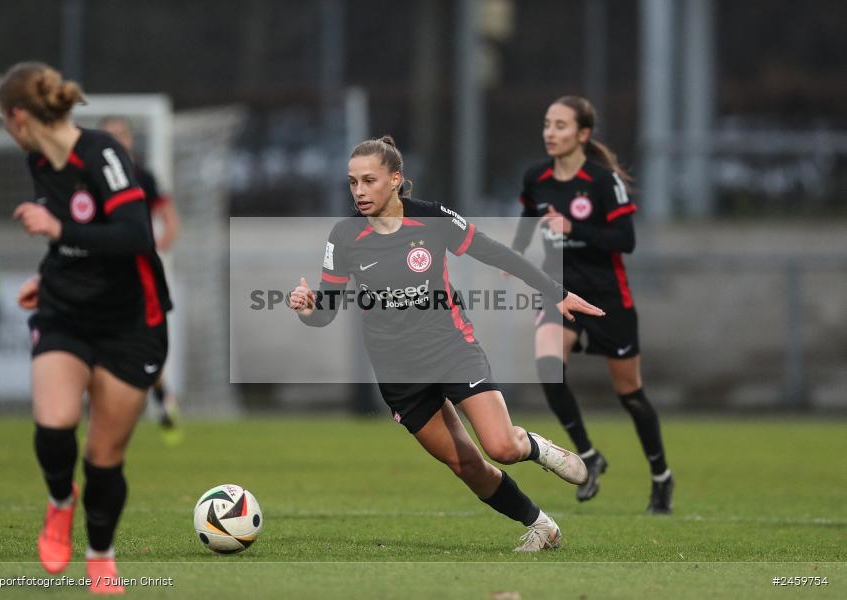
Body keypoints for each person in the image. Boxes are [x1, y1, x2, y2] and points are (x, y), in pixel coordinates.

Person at [288, 135, 605, 551]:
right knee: (466, 465)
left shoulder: (431, 218)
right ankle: (542, 527)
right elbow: (325, 312)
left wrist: (554, 291)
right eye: (352, 182)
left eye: (369, 180)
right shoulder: (344, 235)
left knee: (501, 447)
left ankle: (535, 447)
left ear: (395, 179)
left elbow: (493, 252)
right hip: (399, 375)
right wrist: (307, 307)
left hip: (451, 350)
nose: (359, 191)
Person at [0, 62, 172, 594]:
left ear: (18, 116)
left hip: (131, 323)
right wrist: (46, 276)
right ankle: (58, 501)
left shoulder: (102, 153)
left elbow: (135, 235)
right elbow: (71, 240)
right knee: (54, 425)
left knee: (103, 460)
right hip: (65, 312)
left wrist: (58, 228)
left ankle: (100, 557)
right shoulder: (38, 160)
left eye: (5, 121)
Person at [510, 95, 674, 513]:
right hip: (559, 291)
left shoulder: (602, 182)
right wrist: (515, 255)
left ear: (583, 134)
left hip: (606, 298)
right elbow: (528, 219)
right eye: (547, 124)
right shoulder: (536, 177)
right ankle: (587, 455)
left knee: (630, 394)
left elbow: (626, 241)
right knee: (548, 368)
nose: (550, 132)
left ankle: (661, 476)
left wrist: (574, 228)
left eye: (561, 125)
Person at [99, 116, 181, 436]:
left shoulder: (143, 178)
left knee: (144, 339)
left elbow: (169, 218)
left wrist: (158, 245)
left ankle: (161, 395)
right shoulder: (92, 177)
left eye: (121, 134)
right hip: (101, 273)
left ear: (131, 140)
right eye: (109, 135)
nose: (117, 141)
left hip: (138, 274)